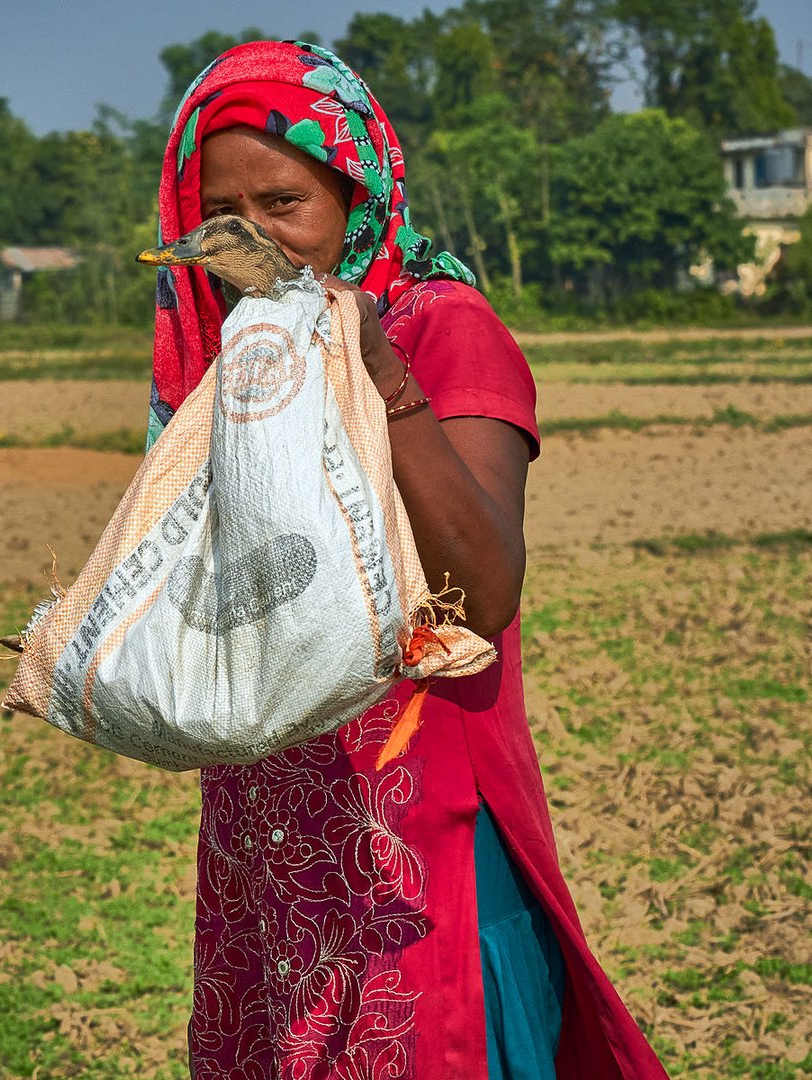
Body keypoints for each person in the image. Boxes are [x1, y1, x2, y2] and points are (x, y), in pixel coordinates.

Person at [147, 40, 669, 1079]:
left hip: (417, 812)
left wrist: (377, 370)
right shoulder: (234, 369)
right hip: (276, 817)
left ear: (357, 193)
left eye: (286, 203)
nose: (257, 241)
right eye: (225, 215)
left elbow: (484, 589)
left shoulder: (443, 330)